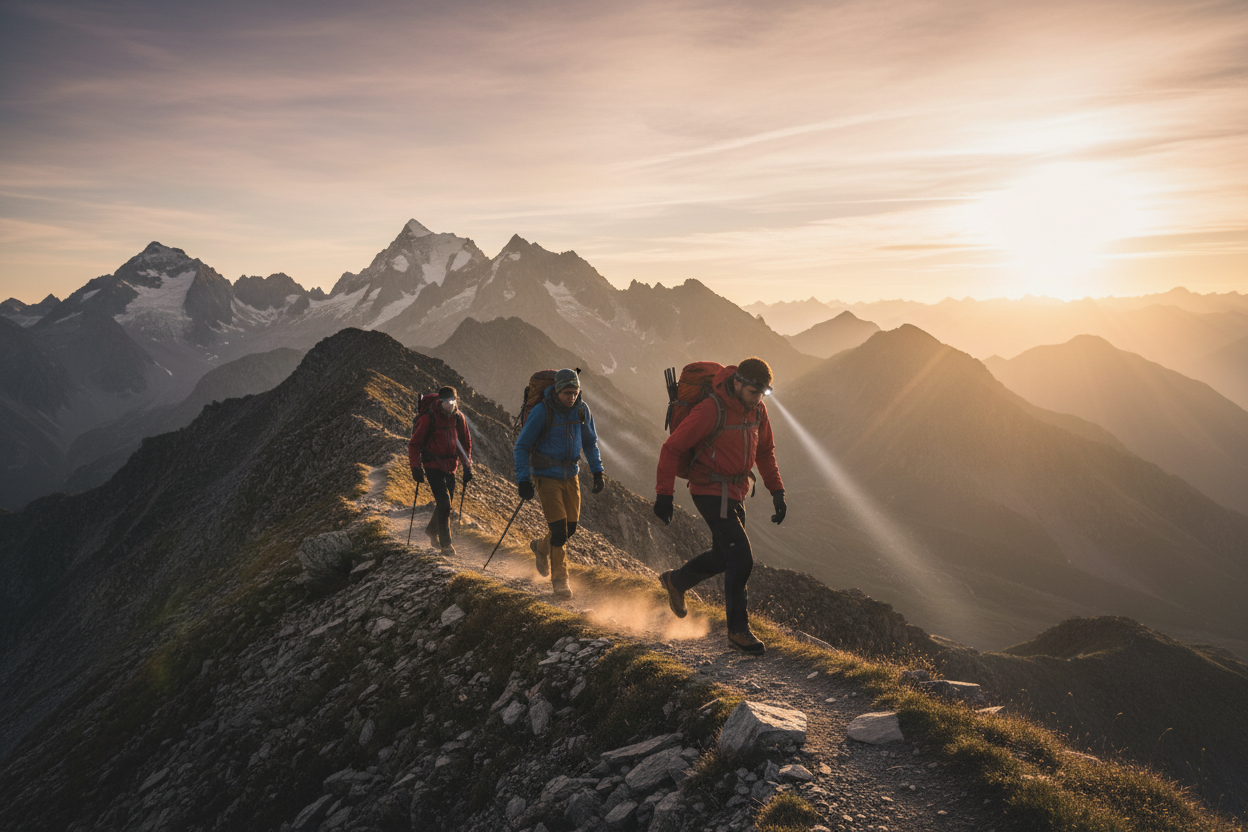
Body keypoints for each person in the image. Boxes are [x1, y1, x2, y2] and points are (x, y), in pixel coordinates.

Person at [652, 357, 786, 653]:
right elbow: (672, 447)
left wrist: (777, 491)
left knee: (724, 555)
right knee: (742, 559)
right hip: (708, 488)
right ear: (738, 382)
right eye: (754, 392)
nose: (758, 400)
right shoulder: (711, 408)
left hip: (736, 490)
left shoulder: (757, 409)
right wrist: (665, 494)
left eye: (763, 394)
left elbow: (765, 451)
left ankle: (675, 581)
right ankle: (738, 631)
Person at [513, 368, 605, 599]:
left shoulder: (582, 410)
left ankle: (540, 547)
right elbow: (522, 446)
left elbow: (590, 442)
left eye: (575, 393)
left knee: (570, 528)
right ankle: (560, 582)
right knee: (559, 531)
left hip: (571, 474)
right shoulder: (542, 411)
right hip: (546, 475)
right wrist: (524, 480)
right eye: (567, 393)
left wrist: (597, 472)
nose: (571, 397)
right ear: (557, 390)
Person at [409, 386, 473, 556]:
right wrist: (416, 467)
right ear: (440, 401)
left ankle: (431, 530)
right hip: (432, 465)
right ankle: (446, 545)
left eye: (453, 401)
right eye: (446, 402)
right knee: (444, 503)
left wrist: (467, 466)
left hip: (451, 465)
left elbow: (465, 443)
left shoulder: (458, 418)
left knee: (446, 504)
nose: (450, 405)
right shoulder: (429, 418)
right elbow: (414, 444)